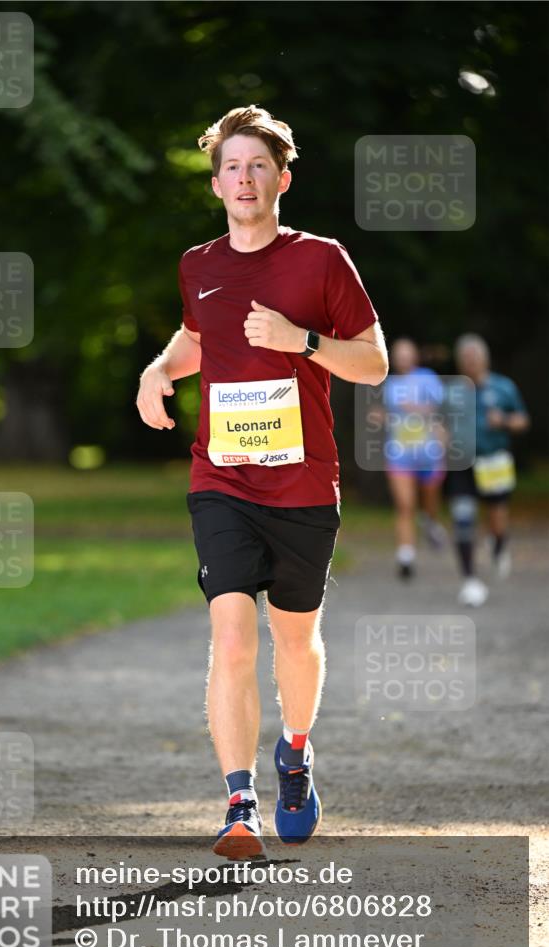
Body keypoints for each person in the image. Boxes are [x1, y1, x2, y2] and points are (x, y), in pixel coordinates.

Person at [136, 105, 387, 859]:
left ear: (282, 177)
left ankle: (296, 752)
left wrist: (301, 341)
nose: (244, 179)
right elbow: (195, 337)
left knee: (296, 640)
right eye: (231, 167)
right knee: (231, 634)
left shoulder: (321, 261)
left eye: (257, 166)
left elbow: (371, 362)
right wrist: (156, 370)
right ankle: (237, 804)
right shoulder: (198, 265)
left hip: (303, 484)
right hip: (222, 476)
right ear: (216, 184)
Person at [446, 333, 530, 607]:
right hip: (461, 464)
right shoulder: (451, 391)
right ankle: (470, 580)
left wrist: (504, 420)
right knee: (463, 520)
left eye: (474, 357)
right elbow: (438, 421)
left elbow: (522, 421)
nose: (470, 362)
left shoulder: (503, 387)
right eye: (465, 358)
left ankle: (499, 541)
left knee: (496, 515)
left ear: (485, 358)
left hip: (494, 461)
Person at [380, 338, 448, 579]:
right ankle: (406, 556)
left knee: (429, 502)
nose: (403, 358)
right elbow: (392, 416)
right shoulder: (389, 383)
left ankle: (430, 522)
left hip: (428, 451)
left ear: (415, 356)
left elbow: (437, 410)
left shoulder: (428, 378)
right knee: (405, 505)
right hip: (400, 453)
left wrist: (414, 408)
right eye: (398, 354)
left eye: (407, 353)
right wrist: (381, 417)